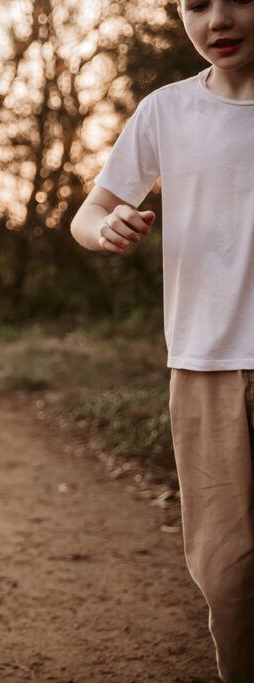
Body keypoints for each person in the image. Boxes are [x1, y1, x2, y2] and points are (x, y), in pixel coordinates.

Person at [69, 2, 254, 679]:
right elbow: (89, 212)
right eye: (196, 4)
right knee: (228, 578)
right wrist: (104, 228)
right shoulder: (166, 112)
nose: (217, 20)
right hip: (205, 368)